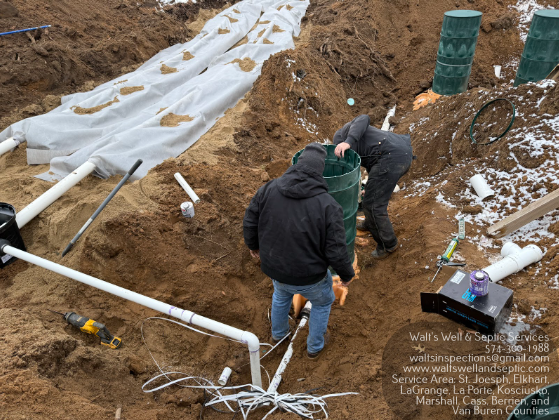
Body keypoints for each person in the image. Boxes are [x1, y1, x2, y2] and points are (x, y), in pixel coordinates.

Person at [243, 143, 355, 359]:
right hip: (310, 275)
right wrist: (347, 274)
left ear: (297, 165)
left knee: (281, 295)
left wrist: (253, 245)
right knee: (323, 302)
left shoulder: (268, 189)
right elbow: (336, 249)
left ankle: (279, 336)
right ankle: (314, 348)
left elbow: (250, 219)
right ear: (320, 171)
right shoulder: (328, 205)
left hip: (275, 268)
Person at [333, 114, 413, 259]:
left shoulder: (350, 134)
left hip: (392, 157)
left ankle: (387, 244)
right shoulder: (361, 142)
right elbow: (372, 159)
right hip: (394, 152)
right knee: (370, 195)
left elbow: (364, 117)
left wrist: (348, 141)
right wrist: (370, 185)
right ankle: (371, 223)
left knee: (373, 205)